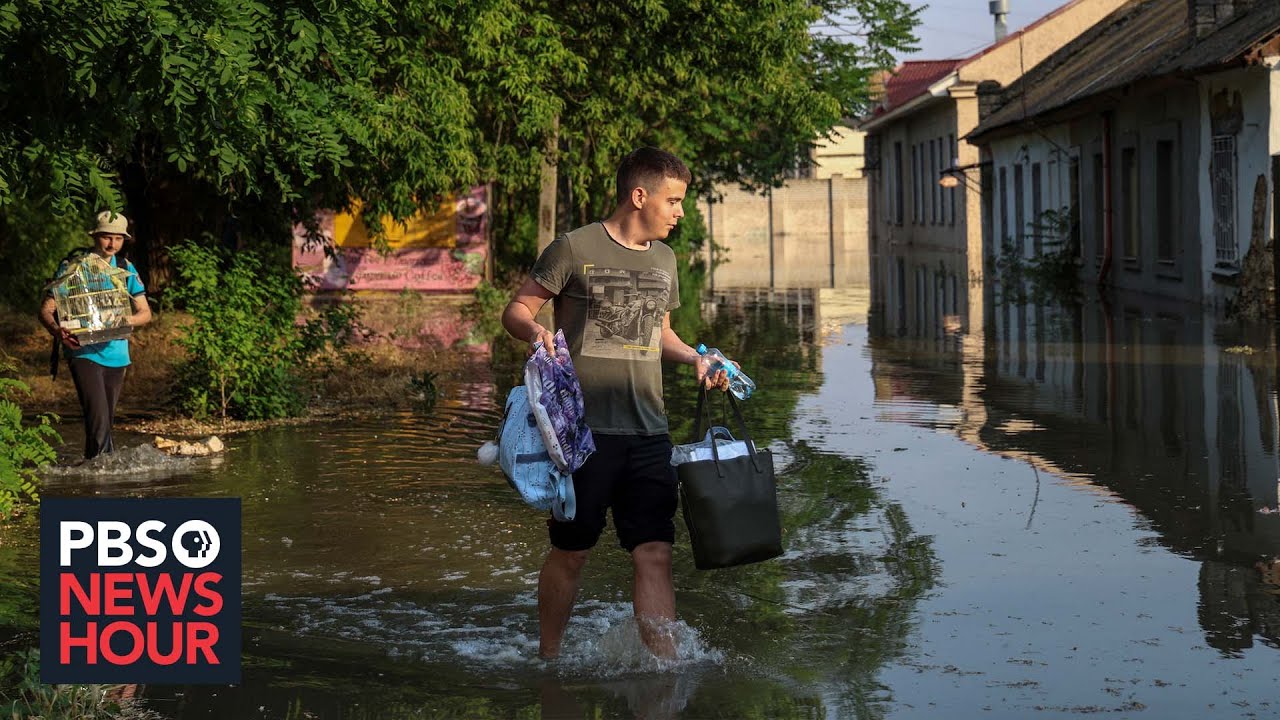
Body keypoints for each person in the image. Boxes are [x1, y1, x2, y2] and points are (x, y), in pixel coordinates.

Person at [501, 147, 730, 660]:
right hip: (581, 437)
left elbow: (659, 334)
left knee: (654, 553)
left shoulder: (665, 259)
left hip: (649, 432)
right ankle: (549, 659)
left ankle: (664, 674)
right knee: (572, 552)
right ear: (639, 195)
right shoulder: (572, 247)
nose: (680, 211)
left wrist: (696, 357)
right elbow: (517, 306)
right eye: (673, 200)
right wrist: (533, 329)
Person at [38, 210, 152, 459]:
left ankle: (95, 477)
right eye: (106, 237)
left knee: (103, 425)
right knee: (99, 419)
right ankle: (103, 478)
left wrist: (126, 320)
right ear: (95, 236)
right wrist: (58, 332)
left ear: (124, 241)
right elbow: (47, 310)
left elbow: (145, 313)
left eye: (118, 239)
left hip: (118, 354)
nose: (112, 244)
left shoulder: (125, 268)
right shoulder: (73, 267)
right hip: (83, 352)